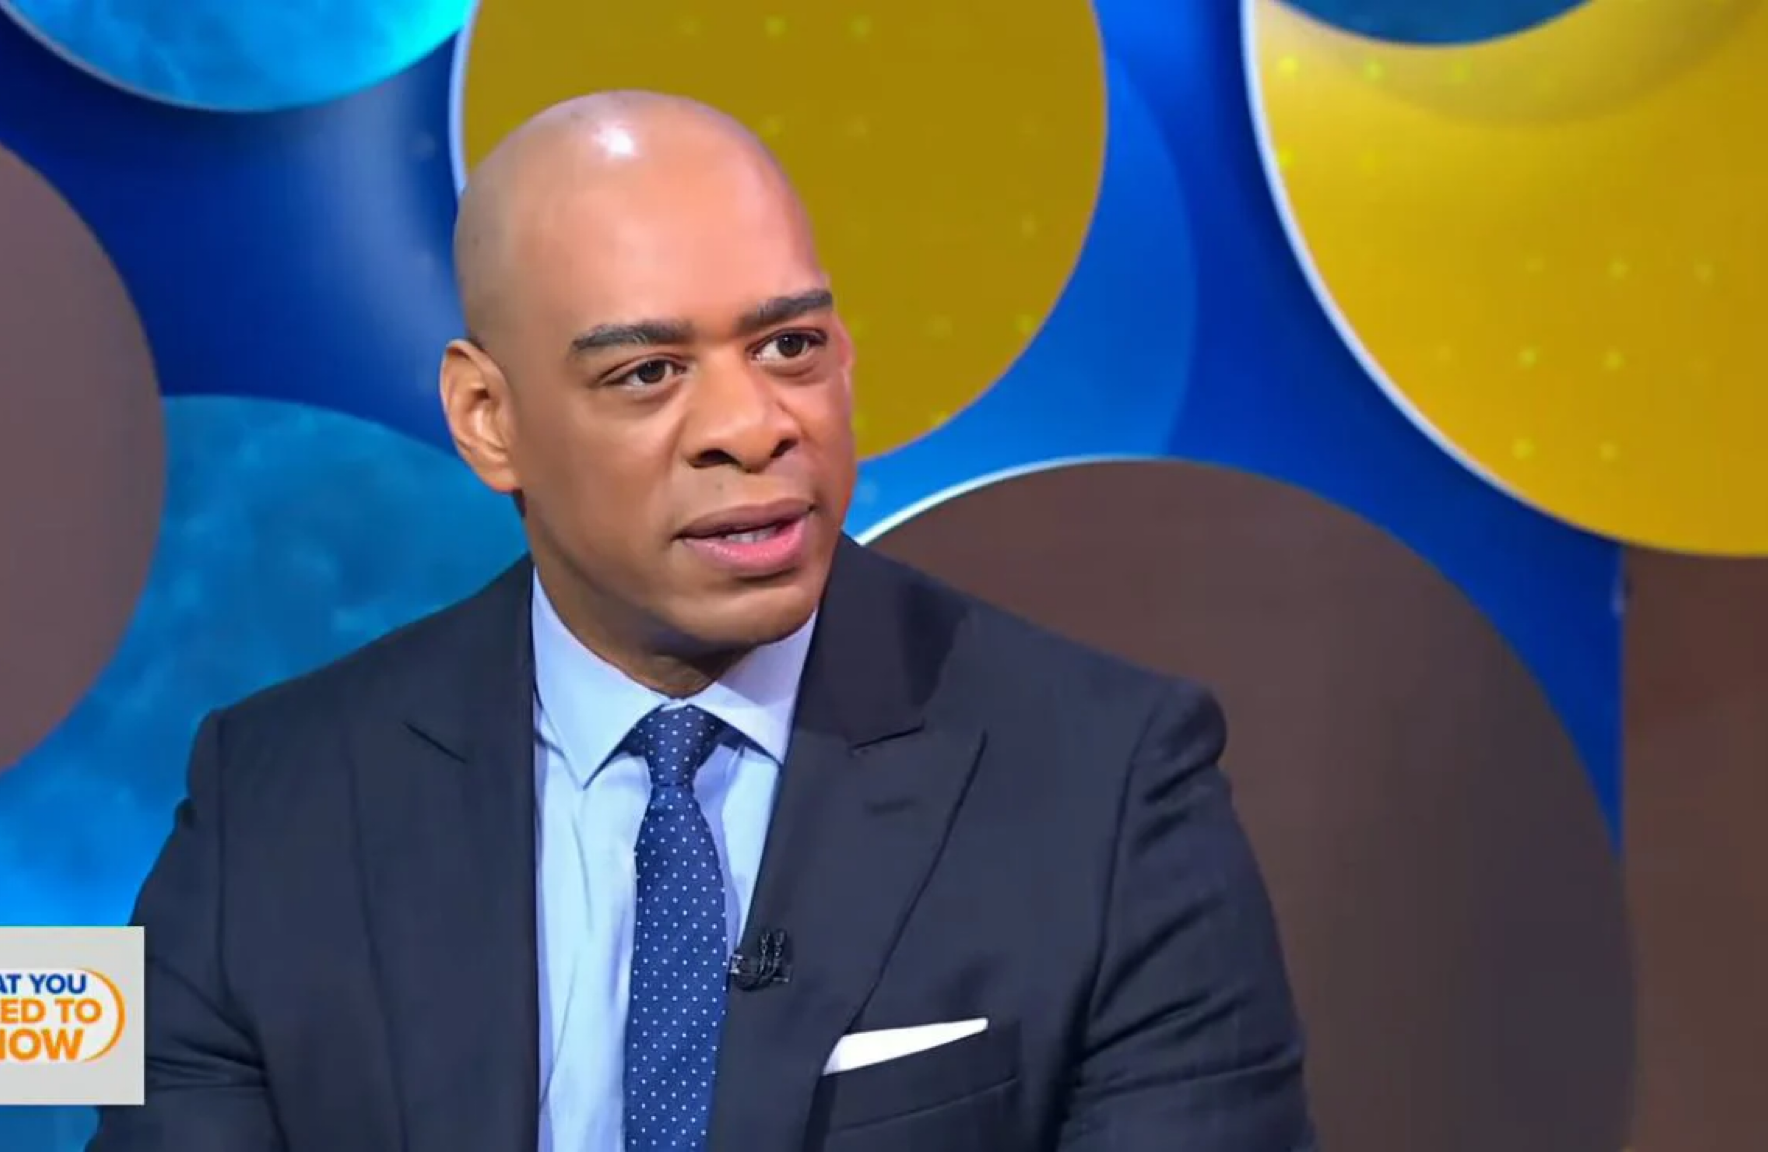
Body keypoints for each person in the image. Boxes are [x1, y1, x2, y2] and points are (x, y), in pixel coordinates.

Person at [89, 90, 1317, 1152]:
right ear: (487, 421)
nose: (752, 426)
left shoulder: (1106, 787)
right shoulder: (276, 809)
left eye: (789, 346)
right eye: (648, 373)